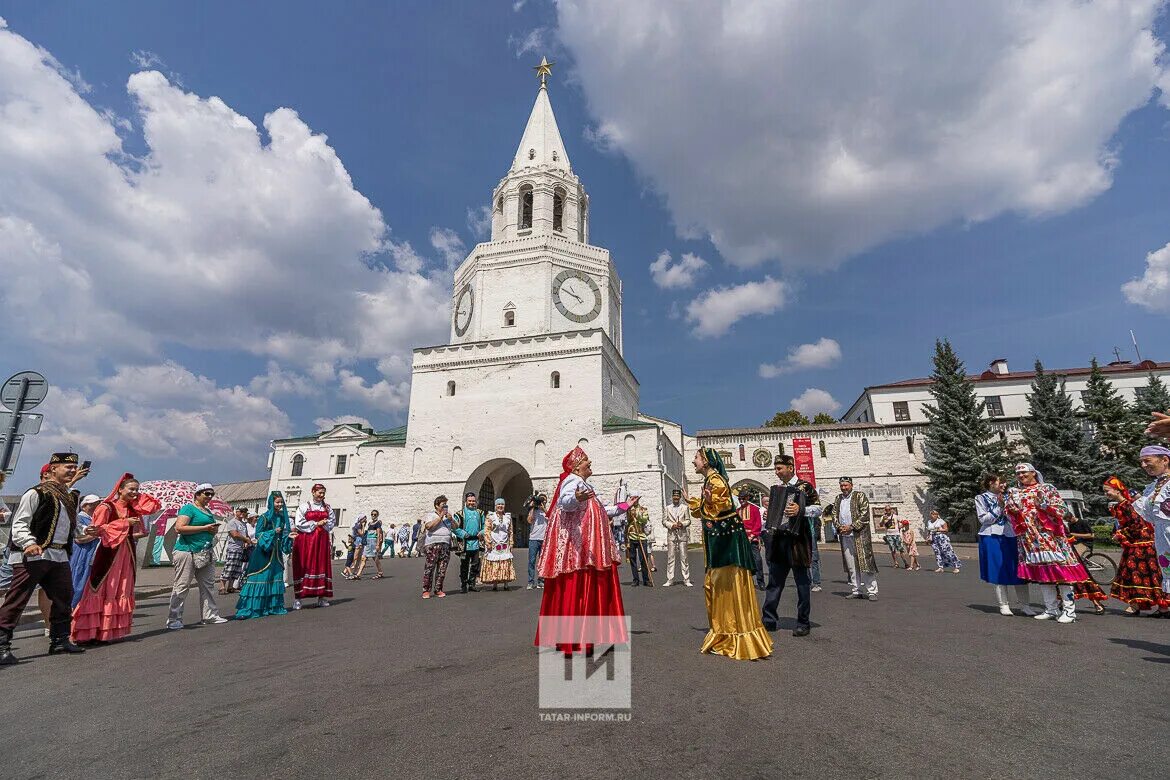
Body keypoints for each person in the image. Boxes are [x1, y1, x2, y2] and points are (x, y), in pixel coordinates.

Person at [534, 446, 630, 655]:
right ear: (578, 467)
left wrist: (625, 506)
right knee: (581, 586)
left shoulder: (586, 485)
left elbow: (604, 509)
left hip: (590, 546)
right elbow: (565, 503)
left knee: (589, 586)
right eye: (587, 462)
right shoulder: (572, 481)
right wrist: (576, 497)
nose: (590, 464)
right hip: (579, 546)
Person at [0, 453, 89, 664]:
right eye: (67, 466)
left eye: (74, 467)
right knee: (17, 600)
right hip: (31, 556)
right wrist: (29, 543)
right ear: (51, 471)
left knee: (63, 597)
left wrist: (87, 530)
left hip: (58, 555)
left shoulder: (69, 496)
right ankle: (2, 645)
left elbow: (70, 526)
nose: (72, 470)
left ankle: (59, 640)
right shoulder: (35, 493)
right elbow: (20, 523)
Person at [686, 448, 771, 661]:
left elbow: (719, 509)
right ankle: (725, 632)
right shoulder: (711, 482)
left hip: (727, 547)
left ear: (705, 461)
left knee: (724, 587)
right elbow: (709, 510)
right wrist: (699, 502)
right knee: (718, 587)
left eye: (696, 458)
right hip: (721, 546)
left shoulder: (716, 482)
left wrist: (706, 503)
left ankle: (735, 636)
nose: (693, 461)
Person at [72, 474, 158, 643]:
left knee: (120, 588)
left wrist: (137, 500)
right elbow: (98, 528)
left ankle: (106, 632)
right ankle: (88, 633)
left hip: (126, 553)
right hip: (108, 552)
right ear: (120, 489)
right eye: (131, 489)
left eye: (137, 489)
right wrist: (125, 523)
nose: (135, 492)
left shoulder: (133, 509)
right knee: (102, 588)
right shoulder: (107, 507)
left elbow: (152, 507)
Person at [1003, 463, 1088, 623]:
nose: (1021, 476)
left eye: (1024, 473)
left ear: (1033, 473)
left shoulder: (1046, 488)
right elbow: (1011, 514)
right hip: (1030, 539)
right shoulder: (1016, 492)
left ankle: (1069, 610)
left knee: (1060, 571)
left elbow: (1062, 510)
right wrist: (1010, 507)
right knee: (1043, 573)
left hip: (1050, 537)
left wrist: (1045, 506)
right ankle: (1051, 608)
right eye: (1018, 473)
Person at [761, 454, 818, 637]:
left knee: (802, 583)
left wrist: (800, 510)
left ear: (790, 467)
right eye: (776, 469)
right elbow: (775, 513)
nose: (776, 472)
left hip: (798, 541)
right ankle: (769, 620)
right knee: (774, 583)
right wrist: (768, 516)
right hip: (779, 540)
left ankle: (803, 622)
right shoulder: (777, 489)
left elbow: (817, 508)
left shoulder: (805, 487)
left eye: (779, 468)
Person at [1104, 475, 1169, 616]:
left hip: (1142, 545)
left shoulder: (1128, 505)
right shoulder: (1121, 505)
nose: (1106, 494)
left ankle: (1158, 606)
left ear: (1117, 490)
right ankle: (1138, 604)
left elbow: (1137, 524)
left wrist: (1121, 534)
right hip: (1134, 544)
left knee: (1142, 574)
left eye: (1108, 491)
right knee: (1134, 574)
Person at [167, 483, 229, 630]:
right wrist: (205, 528)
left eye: (211, 494)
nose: (209, 497)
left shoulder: (207, 511)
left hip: (204, 551)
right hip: (186, 551)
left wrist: (211, 531)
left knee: (208, 585)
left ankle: (209, 615)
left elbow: (206, 530)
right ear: (197, 494)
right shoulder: (188, 508)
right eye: (206, 494)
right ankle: (174, 618)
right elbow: (179, 528)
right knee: (182, 585)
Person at [975, 474, 1036, 616]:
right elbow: (984, 519)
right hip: (992, 536)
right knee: (998, 570)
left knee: (1019, 569)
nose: (1004, 485)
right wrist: (1000, 507)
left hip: (1012, 535)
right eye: (1000, 482)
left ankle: (1025, 605)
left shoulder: (1010, 496)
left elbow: (1017, 516)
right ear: (991, 483)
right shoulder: (981, 498)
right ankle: (1004, 604)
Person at [235, 491, 294, 620]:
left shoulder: (282, 518)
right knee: (261, 577)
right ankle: (253, 608)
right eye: (277, 502)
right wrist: (273, 531)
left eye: (281, 502)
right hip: (264, 552)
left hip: (276, 553)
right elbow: (258, 534)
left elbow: (283, 535)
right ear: (271, 503)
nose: (279, 504)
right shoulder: (264, 517)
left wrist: (288, 537)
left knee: (274, 577)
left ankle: (272, 607)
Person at [829, 477, 878, 600]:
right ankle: (856, 590)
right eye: (842, 485)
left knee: (865, 563)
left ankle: (872, 591)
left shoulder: (859, 496)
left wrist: (851, 527)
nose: (844, 488)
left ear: (851, 485)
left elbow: (864, 515)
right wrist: (839, 527)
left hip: (859, 535)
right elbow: (834, 514)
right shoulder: (838, 498)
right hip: (845, 536)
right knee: (851, 564)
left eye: (846, 485)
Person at [1133, 444, 1170, 602]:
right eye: (1141, 462)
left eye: (1147, 460)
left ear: (1165, 460)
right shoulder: (1153, 487)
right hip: (1162, 536)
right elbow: (1149, 516)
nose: (1143, 465)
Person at [292, 483, 336, 609]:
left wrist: (325, 523)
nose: (321, 495)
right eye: (319, 493)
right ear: (313, 492)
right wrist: (317, 523)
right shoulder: (304, 506)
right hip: (306, 541)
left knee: (321, 566)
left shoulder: (327, 508)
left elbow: (331, 522)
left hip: (321, 541)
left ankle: (321, 597)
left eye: (323, 493)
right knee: (304, 566)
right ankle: (298, 598)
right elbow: (299, 523)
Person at [1064, 510, 1108, 614]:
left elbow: (1091, 535)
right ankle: (1060, 603)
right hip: (1073, 544)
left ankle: (1096, 602)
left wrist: (1074, 535)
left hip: (1085, 544)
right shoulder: (1069, 524)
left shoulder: (1083, 522)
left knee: (1078, 566)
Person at [69, 494, 102, 609]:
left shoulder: (97, 519)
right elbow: (79, 538)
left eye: (97, 504)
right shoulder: (79, 518)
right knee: (79, 580)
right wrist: (100, 533)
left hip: (94, 554)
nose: (95, 507)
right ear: (84, 506)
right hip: (82, 554)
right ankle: (73, 607)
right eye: (92, 504)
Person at [420, 496, 454, 598]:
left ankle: (438, 589)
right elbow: (429, 526)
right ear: (436, 505)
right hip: (432, 545)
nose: (445, 507)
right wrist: (440, 517)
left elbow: (456, 526)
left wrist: (451, 519)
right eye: (443, 505)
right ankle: (426, 590)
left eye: (446, 505)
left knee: (442, 568)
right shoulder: (430, 515)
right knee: (430, 568)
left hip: (445, 544)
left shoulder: (447, 516)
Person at [480, 498, 516, 590]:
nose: (500, 506)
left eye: (502, 504)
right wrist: (488, 542)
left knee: (505, 562)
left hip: (504, 542)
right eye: (498, 504)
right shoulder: (490, 516)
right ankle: (495, 583)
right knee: (495, 562)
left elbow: (510, 531)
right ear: (495, 506)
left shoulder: (507, 517)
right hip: (494, 543)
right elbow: (487, 530)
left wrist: (511, 542)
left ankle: (506, 583)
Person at [454, 494, 485, 593]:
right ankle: (463, 584)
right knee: (464, 565)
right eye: (469, 501)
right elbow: (454, 527)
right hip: (464, 543)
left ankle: (472, 584)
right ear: (465, 501)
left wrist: (482, 532)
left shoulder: (480, 513)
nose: (471, 503)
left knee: (475, 564)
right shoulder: (459, 514)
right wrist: (463, 534)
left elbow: (485, 525)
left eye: (473, 501)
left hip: (476, 542)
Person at [661, 489, 692, 587]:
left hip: (682, 534)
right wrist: (671, 525)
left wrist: (682, 524)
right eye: (674, 497)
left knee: (684, 557)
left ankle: (686, 579)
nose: (676, 498)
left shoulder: (685, 508)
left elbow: (688, 520)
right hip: (671, 534)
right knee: (670, 557)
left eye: (677, 497)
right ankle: (670, 579)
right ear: (672, 497)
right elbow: (664, 521)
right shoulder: (667, 508)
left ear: (680, 497)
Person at [220, 507, 253, 594]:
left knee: (236, 568)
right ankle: (222, 586)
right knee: (229, 567)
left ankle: (230, 586)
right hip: (233, 548)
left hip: (241, 548)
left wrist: (247, 541)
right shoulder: (232, 522)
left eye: (245, 512)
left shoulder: (243, 524)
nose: (243, 513)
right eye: (241, 511)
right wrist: (245, 539)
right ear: (236, 512)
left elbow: (246, 535)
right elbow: (234, 534)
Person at [738, 491, 766, 590]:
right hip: (741, 539)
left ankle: (760, 581)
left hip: (752, 539)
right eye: (740, 499)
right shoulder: (737, 511)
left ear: (747, 498)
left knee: (757, 560)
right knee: (743, 561)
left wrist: (753, 535)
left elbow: (758, 524)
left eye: (743, 499)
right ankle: (748, 581)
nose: (741, 501)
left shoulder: (754, 509)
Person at [625, 496, 653, 587]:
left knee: (643, 559)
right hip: (632, 536)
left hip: (641, 537)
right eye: (633, 499)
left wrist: (637, 515)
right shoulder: (628, 510)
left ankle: (646, 579)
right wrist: (630, 513)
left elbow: (644, 520)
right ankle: (635, 579)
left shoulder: (643, 509)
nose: (634, 501)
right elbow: (628, 521)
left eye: (636, 499)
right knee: (633, 559)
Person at [526, 493, 547, 590]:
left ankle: (541, 580)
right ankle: (530, 581)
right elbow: (529, 520)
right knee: (532, 561)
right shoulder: (533, 510)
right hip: (533, 539)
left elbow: (551, 518)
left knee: (542, 562)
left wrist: (543, 509)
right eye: (540, 500)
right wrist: (533, 507)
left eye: (544, 500)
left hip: (544, 539)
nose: (542, 502)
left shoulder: (547, 511)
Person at [356, 510, 384, 580]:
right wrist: (363, 526)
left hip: (373, 542)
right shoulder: (369, 523)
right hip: (368, 542)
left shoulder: (378, 523)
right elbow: (363, 533)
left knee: (375, 558)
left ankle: (380, 572)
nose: (373, 516)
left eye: (375, 514)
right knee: (364, 558)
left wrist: (378, 544)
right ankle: (358, 574)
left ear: (377, 515)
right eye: (372, 514)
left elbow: (378, 534)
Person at [344, 514, 368, 580]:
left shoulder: (358, 525)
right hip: (358, 540)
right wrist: (363, 526)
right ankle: (347, 571)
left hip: (359, 540)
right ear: (361, 519)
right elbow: (362, 533)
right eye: (364, 519)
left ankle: (353, 572)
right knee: (356, 557)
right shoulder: (358, 525)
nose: (365, 520)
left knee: (358, 558)